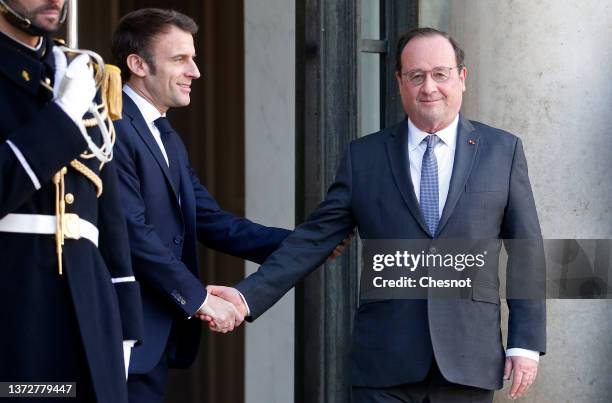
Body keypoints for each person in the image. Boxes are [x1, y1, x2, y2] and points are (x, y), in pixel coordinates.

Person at [210, 27, 546, 402]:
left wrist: (525, 343)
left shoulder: (502, 150)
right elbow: (313, 240)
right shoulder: (364, 158)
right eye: (416, 76)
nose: (429, 87)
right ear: (399, 83)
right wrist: (245, 297)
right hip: (385, 363)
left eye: (440, 74)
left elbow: (527, 250)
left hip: (469, 360)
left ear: (462, 78)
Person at [110, 9, 354, 403]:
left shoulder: (165, 135)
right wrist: (201, 300)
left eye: (193, 58)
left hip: (152, 338)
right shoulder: (115, 126)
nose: (196, 71)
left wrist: (300, 244)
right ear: (137, 64)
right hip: (120, 334)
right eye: (180, 59)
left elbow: (210, 221)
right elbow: (132, 233)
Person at [0, 0, 143, 402]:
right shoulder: (71, 91)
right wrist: (62, 119)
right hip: (17, 302)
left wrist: (125, 324)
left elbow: (106, 212)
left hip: (89, 310)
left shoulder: (76, 72)